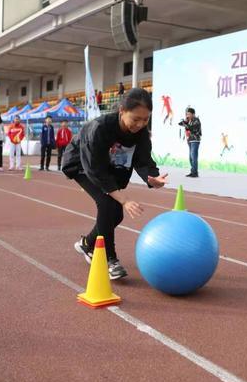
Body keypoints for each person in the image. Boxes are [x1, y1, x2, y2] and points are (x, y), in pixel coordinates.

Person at [62, 88, 168, 280]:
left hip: (109, 168)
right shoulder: (100, 128)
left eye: (145, 120)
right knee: (107, 204)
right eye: (135, 119)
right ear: (121, 111)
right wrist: (124, 200)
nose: (140, 124)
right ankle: (109, 259)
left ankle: (88, 243)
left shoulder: (141, 133)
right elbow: (95, 170)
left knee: (115, 215)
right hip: (82, 165)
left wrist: (152, 177)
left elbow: (143, 160)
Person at [178, 107, 202, 177]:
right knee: (191, 157)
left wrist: (186, 124)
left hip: (195, 140)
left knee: (193, 156)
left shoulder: (196, 120)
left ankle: (195, 172)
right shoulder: (189, 120)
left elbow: (191, 128)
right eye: (187, 114)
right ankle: (193, 171)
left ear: (193, 114)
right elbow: (180, 124)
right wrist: (185, 121)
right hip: (190, 140)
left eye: (189, 114)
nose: (187, 115)